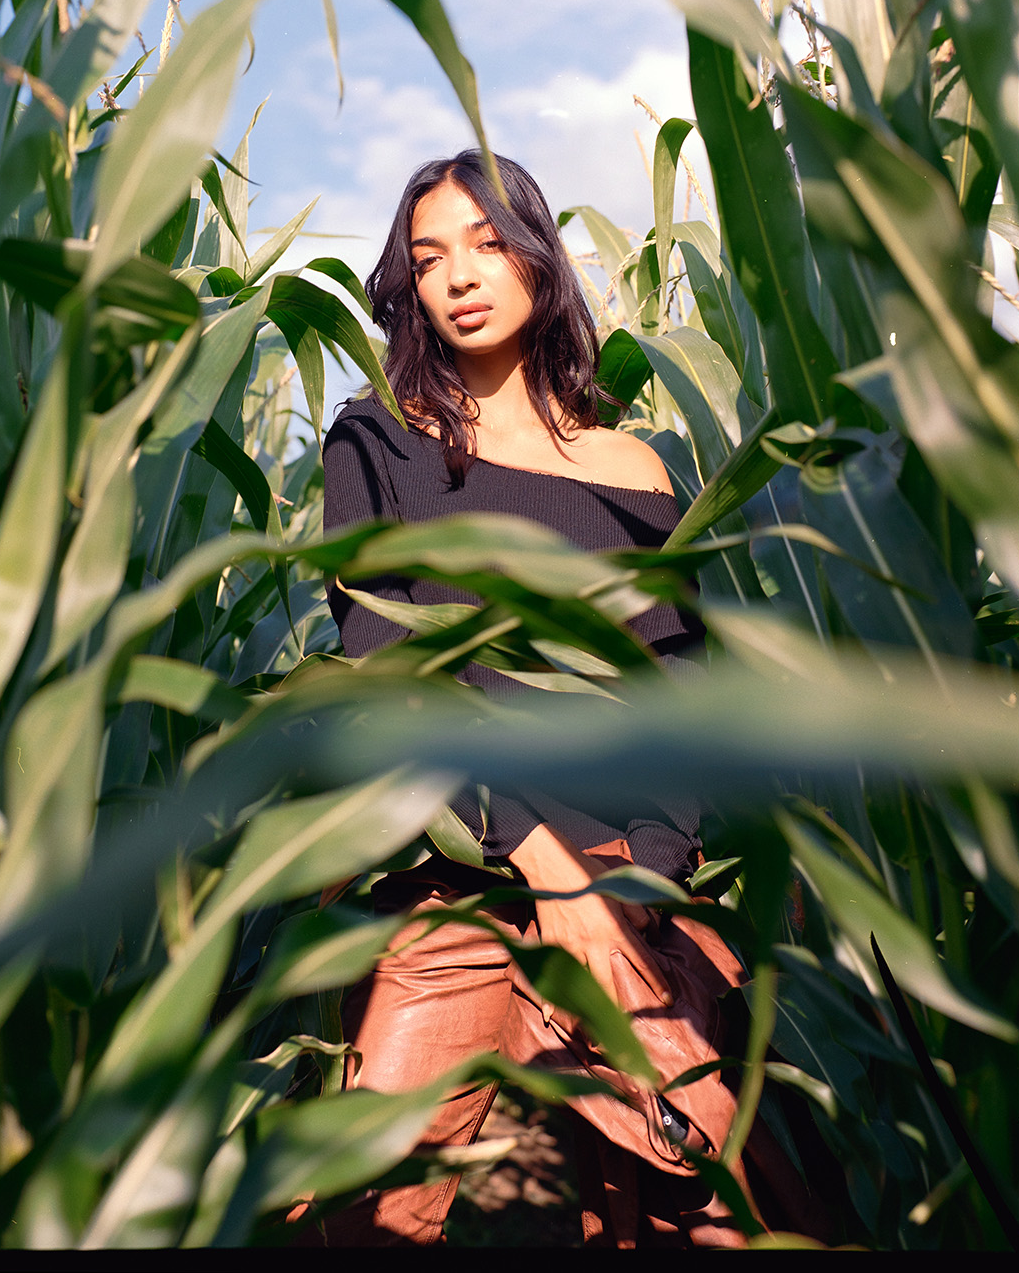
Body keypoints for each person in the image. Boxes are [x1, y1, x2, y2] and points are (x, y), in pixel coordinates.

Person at [309, 150, 823, 1248]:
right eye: (428, 258)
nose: (459, 276)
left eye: (488, 243)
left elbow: (676, 704)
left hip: (624, 889)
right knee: (369, 1209)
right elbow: (388, 678)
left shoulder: (636, 469)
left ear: (538, 256)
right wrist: (545, 866)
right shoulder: (379, 441)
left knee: (702, 1203)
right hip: (457, 879)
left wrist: (637, 879)